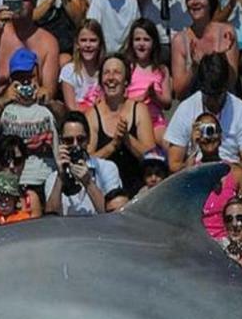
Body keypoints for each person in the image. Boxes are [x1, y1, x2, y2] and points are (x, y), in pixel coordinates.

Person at [0, 46, 62, 193]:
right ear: (11, 79)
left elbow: (67, 120)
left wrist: (50, 102)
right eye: (19, 77)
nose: (25, 82)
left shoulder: (47, 105)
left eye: (29, 76)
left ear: (37, 75)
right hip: (14, 180)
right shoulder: (4, 108)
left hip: (47, 179)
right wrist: (2, 102)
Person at [164, 53, 242, 173]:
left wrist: (224, 168)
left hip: (230, 170)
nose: (213, 100)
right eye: (208, 95)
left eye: (217, 95)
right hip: (196, 170)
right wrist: (193, 150)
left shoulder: (241, 110)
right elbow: (174, 164)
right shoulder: (186, 108)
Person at [86, 53, 155, 194]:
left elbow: (152, 159)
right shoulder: (92, 115)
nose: (111, 78)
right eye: (106, 73)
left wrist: (127, 139)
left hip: (137, 190)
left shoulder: (139, 110)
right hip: (104, 192)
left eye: (117, 73)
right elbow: (87, 163)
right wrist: (113, 145)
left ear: (126, 81)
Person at [45, 111, 123, 214]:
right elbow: (51, 218)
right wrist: (60, 177)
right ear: (61, 142)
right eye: (69, 140)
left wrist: (88, 183)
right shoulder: (52, 178)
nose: (75, 145)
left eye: (81, 139)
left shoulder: (107, 169)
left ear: (89, 139)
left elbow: (113, 214)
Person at [171, 0, 238, 95]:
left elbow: (232, 82)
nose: (195, 2)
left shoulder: (226, 32)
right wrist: (194, 68)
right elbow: (179, 92)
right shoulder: (180, 40)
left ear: (210, 2)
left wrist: (222, 58)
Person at [190, 113, 242, 236]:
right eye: (202, 131)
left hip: (228, 240)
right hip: (199, 241)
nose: (208, 137)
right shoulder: (190, 172)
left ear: (220, 136)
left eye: (211, 130)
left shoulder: (236, 173)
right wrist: (193, 148)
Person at [123, 18, 172, 146]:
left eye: (146, 40)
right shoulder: (128, 67)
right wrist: (142, 97)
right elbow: (120, 98)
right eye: (137, 39)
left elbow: (167, 102)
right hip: (132, 120)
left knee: (168, 142)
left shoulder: (161, 70)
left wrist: (155, 97)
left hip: (155, 121)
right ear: (131, 42)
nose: (141, 44)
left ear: (154, 43)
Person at [58, 19, 103, 111]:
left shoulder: (105, 70)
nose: (88, 45)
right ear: (77, 44)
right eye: (83, 40)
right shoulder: (69, 71)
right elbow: (71, 107)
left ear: (100, 44)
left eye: (93, 40)